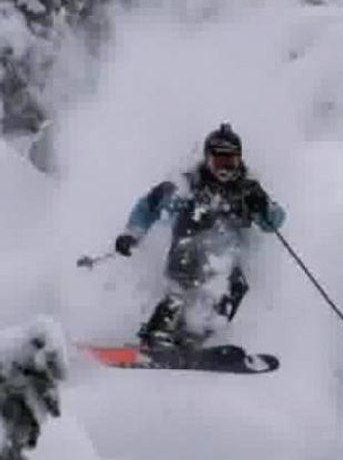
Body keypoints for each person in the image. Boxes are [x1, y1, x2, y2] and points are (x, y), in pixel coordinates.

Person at [114, 123, 286, 350]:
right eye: (219, 162)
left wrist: (263, 207)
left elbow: (274, 222)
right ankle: (160, 329)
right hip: (189, 246)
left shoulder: (247, 190)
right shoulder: (189, 184)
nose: (225, 170)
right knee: (186, 269)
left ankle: (198, 334)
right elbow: (149, 206)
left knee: (236, 285)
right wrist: (131, 234)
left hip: (226, 254)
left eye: (231, 162)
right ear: (207, 159)